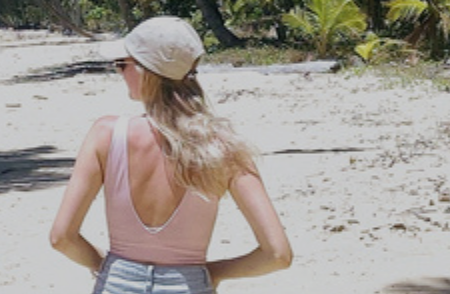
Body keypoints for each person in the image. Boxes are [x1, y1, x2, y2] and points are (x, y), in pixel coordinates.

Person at [50, 17, 292, 293]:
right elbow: (277, 254)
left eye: (121, 64)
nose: (119, 72)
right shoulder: (223, 147)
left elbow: (62, 238)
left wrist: (108, 267)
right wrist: (212, 273)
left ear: (144, 71)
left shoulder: (105, 135)